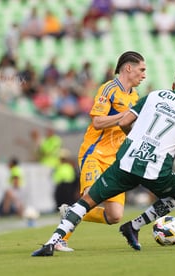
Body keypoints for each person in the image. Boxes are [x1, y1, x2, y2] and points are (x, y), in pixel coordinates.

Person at [31, 65, 175, 256]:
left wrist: (134, 141)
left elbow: (123, 122)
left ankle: (51, 243)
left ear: (173, 84)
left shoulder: (155, 95)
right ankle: (134, 226)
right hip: (157, 170)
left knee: (87, 201)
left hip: (126, 162)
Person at [55, 51, 146, 252]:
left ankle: (71, 212)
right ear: (128, 68)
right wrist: (125, 116)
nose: (144, 75)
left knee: (114, 216)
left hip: (115, 161)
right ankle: (61, 238)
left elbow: (127, 127)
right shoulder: (109, 89)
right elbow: (97, 122)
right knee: (90, 195)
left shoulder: (135, 96)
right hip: (95, 154)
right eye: (142, 69)